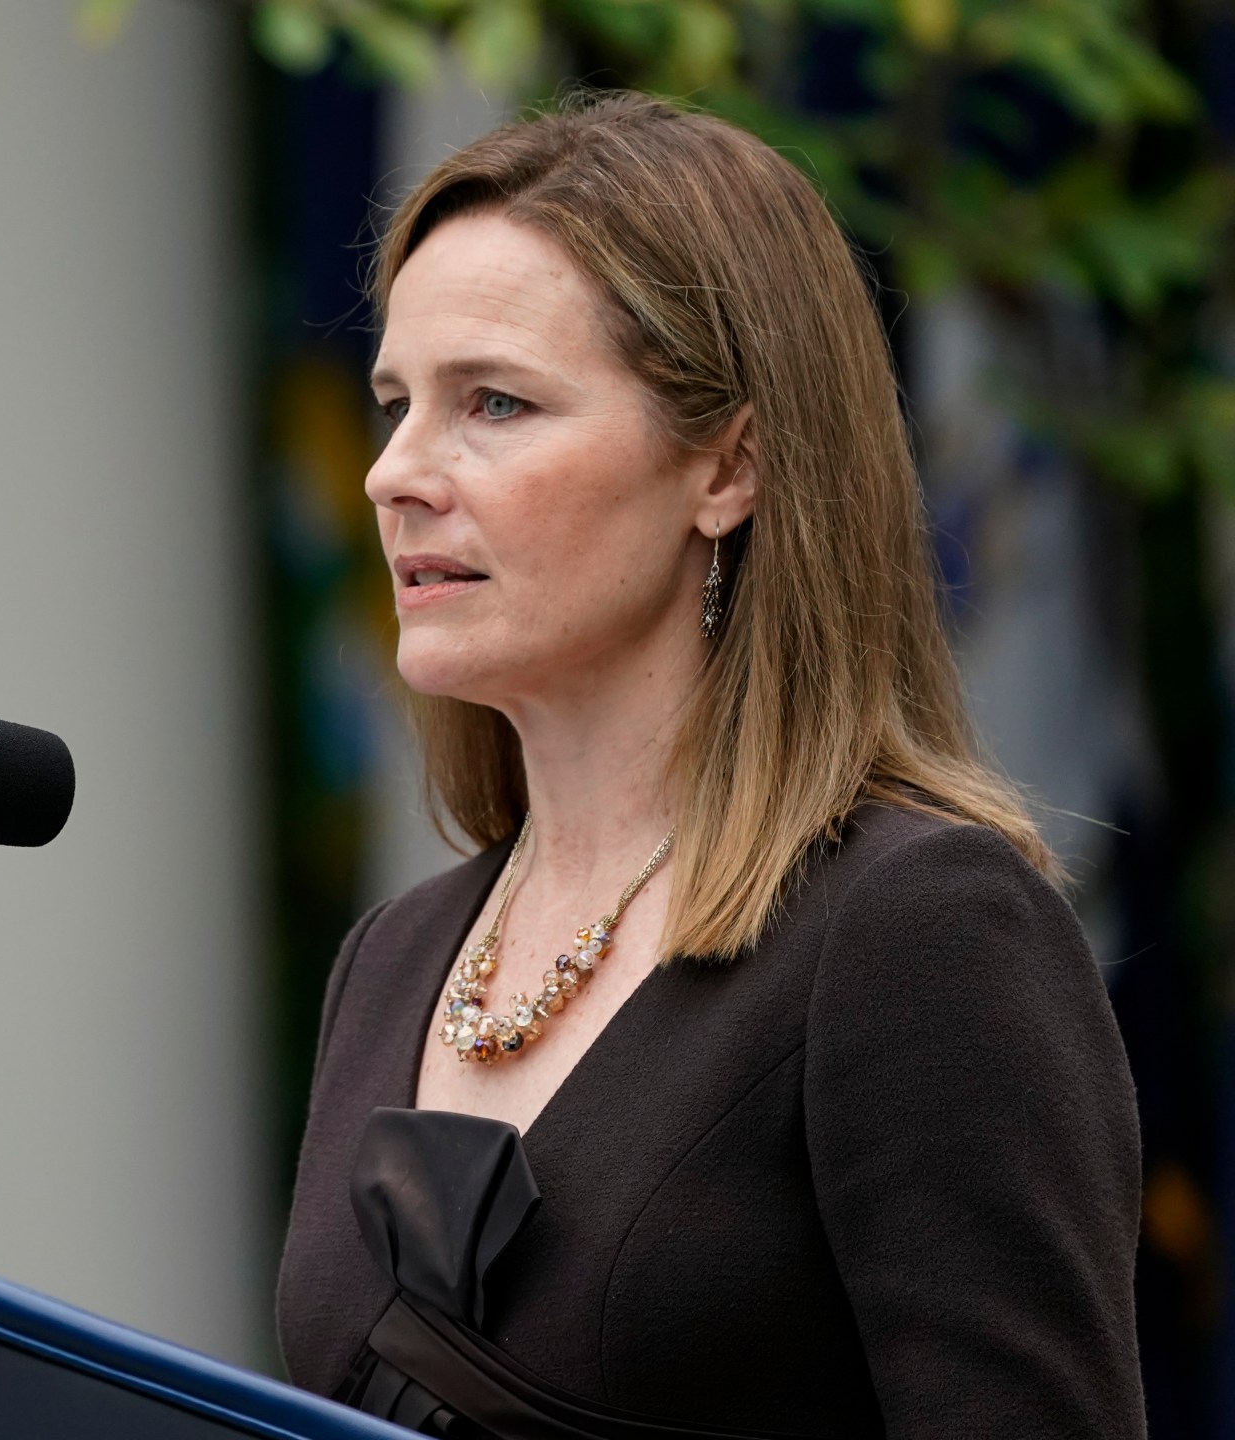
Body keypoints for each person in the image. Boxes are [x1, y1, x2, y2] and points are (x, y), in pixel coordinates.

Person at [277, 94, 1141, 1437]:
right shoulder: (389, 959)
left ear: (727, 467)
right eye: (396, 404)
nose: (396, 472)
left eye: (493, 403)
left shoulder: (921, 933)